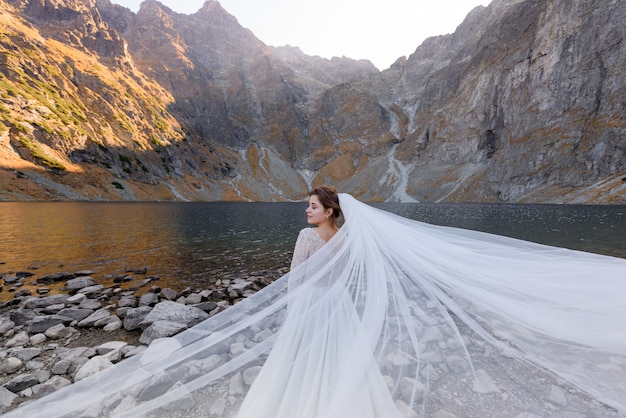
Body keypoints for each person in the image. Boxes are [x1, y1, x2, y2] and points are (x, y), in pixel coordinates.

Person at [6, 187, 626, 417]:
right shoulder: (350, 239)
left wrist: (294, 304)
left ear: (328, 210)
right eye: (307, 206)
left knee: (299, 367)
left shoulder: (310, 238)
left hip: (313, 310)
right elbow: (352, 281)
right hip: (338, 311)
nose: (304, 211)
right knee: (336, 367)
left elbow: (296, 279)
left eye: (310, 204)